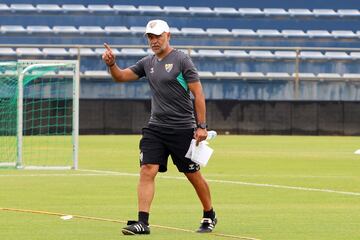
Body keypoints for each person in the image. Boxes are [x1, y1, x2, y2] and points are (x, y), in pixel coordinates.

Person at [102, 19, 217, 235]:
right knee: (147, 170)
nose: (154, 41)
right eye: (150, 37)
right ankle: (142, 222)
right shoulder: (148, 63)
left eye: (157, 36)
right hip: (156, 128)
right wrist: (111, 64)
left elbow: (198, 94)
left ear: (168, 35)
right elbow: (121, 77)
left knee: (193, 175)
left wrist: (201, 126)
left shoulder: (182, 60)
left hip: (182, 129)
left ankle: (209, 213)